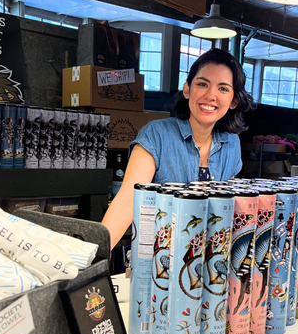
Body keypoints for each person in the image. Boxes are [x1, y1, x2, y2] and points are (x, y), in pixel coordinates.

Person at [102, 48, 253, 248]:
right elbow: (128, 202)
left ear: (234, 100)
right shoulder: (156, 135)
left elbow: (228, 207)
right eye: (202, 84)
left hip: (212, 261)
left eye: (223, 89)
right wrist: (93, 259)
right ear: (187, 89)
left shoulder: (231, 142)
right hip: (158, 260)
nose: (211, 95)